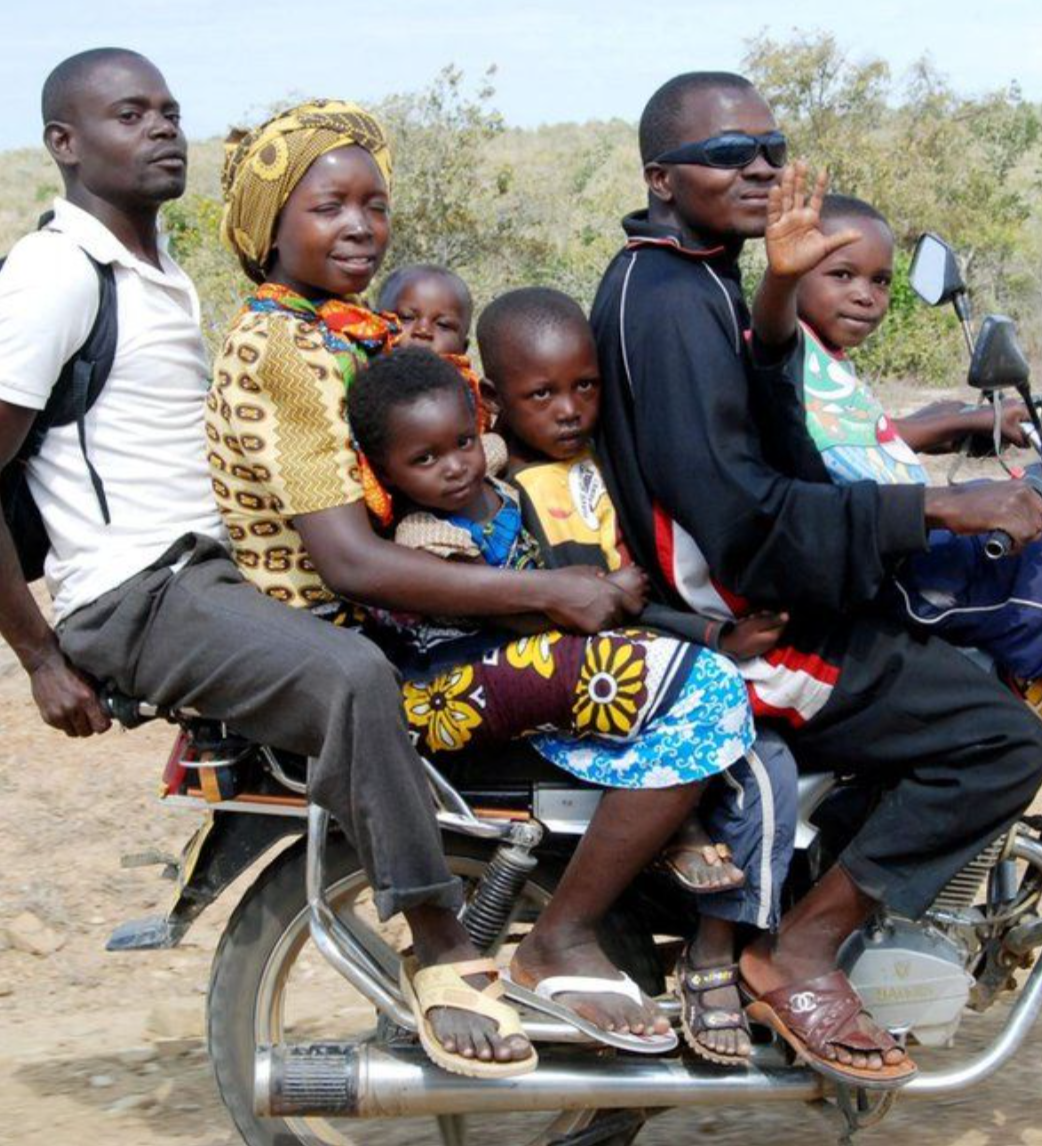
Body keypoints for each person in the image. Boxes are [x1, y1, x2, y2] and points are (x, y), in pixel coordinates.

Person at [0, 52, 540, 1083]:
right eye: (128, 114)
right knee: (351, 679)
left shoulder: (154, 276)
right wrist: (34, 652)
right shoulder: (59, 273)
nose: (162, 128)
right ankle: (438, 945)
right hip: (137, 591)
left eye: (169, 109)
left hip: (201, 578)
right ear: (64, 144)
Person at [210, 100, 744, 1060]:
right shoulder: (285, 350)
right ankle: (560, 937)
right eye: (329, 206)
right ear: (268, 223)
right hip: (389, 653)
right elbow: (350, 560)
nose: (361, 227)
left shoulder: (346, 333)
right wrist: (553, 594)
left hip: (412, 627)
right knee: (694, 685)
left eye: (373, 204)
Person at [590, 70, 1042, 1089]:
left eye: (770, 147)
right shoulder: (666, 302)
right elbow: (744, 516)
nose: (757, 166)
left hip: (769, 598)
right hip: (748, 627)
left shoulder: (697, 277)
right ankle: (795, 950)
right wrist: (931, 507)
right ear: (662, 177)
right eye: (726, 154)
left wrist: (772, 299)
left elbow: (776, 441)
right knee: (1000, 740)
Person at [349, 343, 781, 1062]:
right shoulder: (425, 536)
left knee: (670, 680)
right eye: (423, 461)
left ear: (478, 423)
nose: (453, 466)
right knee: (701, 689)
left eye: (460, 443)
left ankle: (661, 823)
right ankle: (561, 936)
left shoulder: (504, 481)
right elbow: (509, 615)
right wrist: (598, 599)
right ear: (383, 469)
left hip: (519, 670)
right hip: (451, 684)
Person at [474, 287, 799, 1063]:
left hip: (623, 668)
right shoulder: (502, 498)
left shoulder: (592, 473)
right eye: (541, 394)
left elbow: (632, 597)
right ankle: (716, 955)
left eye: (584, 387)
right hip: (569, 694)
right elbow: (564, 610)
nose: (569, 410)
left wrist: (713, 631)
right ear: (492, 399)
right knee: (761, 763)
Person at [752, 176, 1042, 727]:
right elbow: (769, 330)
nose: (866, 295)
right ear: (794, 268)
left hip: (911, 542)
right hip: (899, 567)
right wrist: (778, 280)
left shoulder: (826, 358)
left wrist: (969, 419)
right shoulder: (784, 351)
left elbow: (862, 439)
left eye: (880, 281)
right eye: (841, 275)